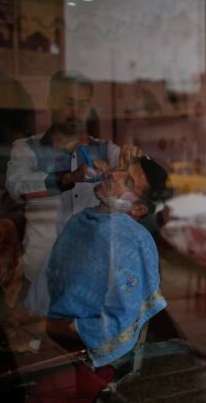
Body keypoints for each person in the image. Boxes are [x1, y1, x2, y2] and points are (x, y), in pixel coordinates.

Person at [5, 70, 142, 283]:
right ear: (51, 102)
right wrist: (68, 178)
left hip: (93, 273)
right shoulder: (27, 149)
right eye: (69, 102)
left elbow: (144, 184)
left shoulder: (106, 150)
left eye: (83, 104)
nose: (77, 111)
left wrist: (134, 162)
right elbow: (16, 188)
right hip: (43, 273)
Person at [43, 156, 170, 367]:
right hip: (54, 339)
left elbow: (113, 325)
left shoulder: (130, 241)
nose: (113, 174)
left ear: (137, 209)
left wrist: (45, 326)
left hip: (85, 363)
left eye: (127, 182)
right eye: (121, 169)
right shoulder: (81, 221)